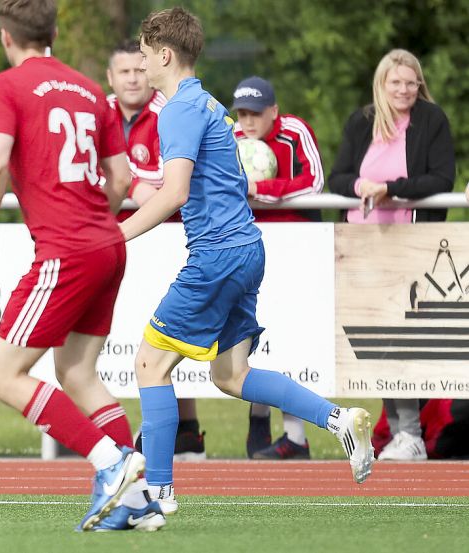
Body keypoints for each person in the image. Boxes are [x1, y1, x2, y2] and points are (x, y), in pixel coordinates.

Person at [120, 6, 374, 515]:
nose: (141, 65)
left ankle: (158, 494)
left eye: (145, 56)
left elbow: (174, 193)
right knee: (231, 376)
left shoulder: (177, 110)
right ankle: (339, 419)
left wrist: (113, 236)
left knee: (149, 363)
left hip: (217, 254)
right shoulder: (208, 103)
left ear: (165, 55)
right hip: (245, 250)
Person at [0, 0, 163, 533]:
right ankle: (135, 501)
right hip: (109, 244)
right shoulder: (87, 89)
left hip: (66, 250)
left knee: (2, 374)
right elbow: (121, 178)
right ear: (54, 31)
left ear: (6, 38)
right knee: (78, 373)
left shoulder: (5, 86)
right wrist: (96, 224)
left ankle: (112, 463)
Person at [329, 49, 455, 460]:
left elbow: (442, 178)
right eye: (395, 82)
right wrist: (361, 186)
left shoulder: (431, 120)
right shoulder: (361, 121)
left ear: (420, 84)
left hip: (409, 245)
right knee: (376, 341)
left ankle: (412, 433)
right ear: (381, 84)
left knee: (402, 339)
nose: (403, 89)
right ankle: (399, 431)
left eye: (410, 82)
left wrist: (391, 189)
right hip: (363, 244)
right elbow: (338, 177)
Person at [106, 39, 207, 462]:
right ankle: (135, 434)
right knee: (126, 336)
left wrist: (126, 180)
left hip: (168, 237)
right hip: (117, 235)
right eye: (124, 71)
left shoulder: (172, 108)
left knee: (163, 340)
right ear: (110, 77)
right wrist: (132, 182)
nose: (133, 77)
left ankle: (177, 433)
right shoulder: (98, 111)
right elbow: (96, 171)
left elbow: (170, 183)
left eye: (138, 68)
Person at [232, 75, 325, 460]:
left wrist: (262, 190)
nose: (247, 121)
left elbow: (314, 183)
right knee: (250, 333)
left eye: (255, 113)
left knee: (288, 337)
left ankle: (295, 435)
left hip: (295, 247)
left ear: (274, 110)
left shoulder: (295, 131)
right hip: (248, 245)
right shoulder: (232, 137)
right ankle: (259, 416)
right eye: (242, 113)